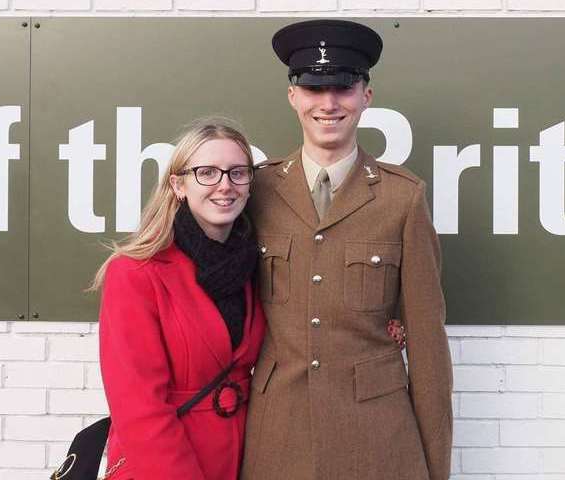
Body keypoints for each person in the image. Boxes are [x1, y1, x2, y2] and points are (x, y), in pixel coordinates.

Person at [241, 20, 453, 480]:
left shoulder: (403, 197)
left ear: (366, 96)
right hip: (277, 433)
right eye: (314, 88)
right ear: (293, 96)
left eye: (343, 87)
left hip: (377, 435)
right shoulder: (255, 190)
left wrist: (436, 465)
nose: (329, 103)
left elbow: (427, 343)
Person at [92, 118, 266, 479]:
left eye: (237, 173)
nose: (224, 185)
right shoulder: (135, 273)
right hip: (165, 466)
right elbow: (139, 408)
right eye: (206, 172)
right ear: (178, 185)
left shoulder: (254, 265)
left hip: (242, 463)